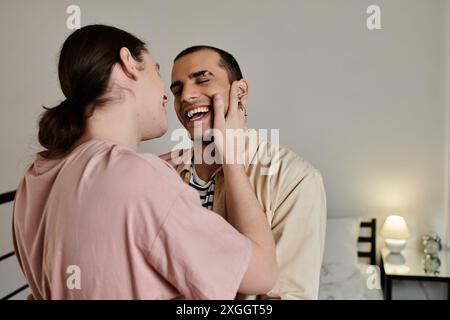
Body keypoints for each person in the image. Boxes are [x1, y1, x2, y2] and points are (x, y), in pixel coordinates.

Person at [12, 25, 277, 300]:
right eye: (158, 71)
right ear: (128, 63)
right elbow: (263, 273)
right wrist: (230, 156)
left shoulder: (34, 179)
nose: (169, 95)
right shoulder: (141, 178)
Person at [162, 46, 327, 299]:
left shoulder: (296, 179)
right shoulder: (162, 174)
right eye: (177, 90)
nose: (186, 96)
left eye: (202, 79)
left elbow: (288, 296)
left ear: (240, 91)